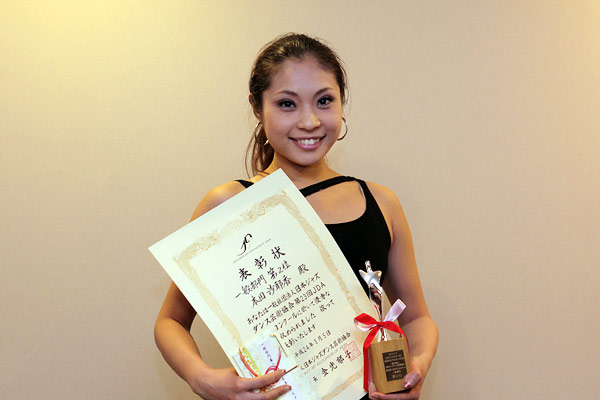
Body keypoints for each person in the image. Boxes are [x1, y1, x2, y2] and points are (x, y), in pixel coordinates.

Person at [154, 33, 438, 400]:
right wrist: (201, 378)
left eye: (324, 101)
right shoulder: (228, 204)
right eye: (287, 104)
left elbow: (416, 317)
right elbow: (170, 321)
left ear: (341, 103)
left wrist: (418, 365)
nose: (309, 121)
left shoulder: (381, 202)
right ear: (258, 109)